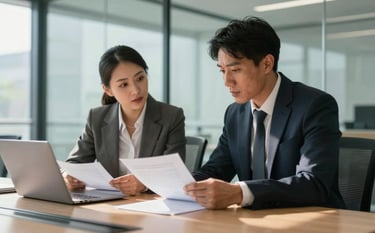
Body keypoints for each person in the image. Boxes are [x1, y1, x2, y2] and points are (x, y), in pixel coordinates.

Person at [184, 16, 345, 210]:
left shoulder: (315, 106)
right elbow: (216, 169)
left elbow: (313, 183)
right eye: (222, 71)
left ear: (267, 64)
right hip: (256, 221)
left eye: (235, 70)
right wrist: (183, 187)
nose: (227, 81)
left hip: (312, 219)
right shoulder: (235, 113)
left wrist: (239, 192)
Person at [64, 45, 186, 196]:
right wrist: (69, 177)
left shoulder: (171, 116)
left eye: (140, 78)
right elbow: (74, 164)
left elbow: (173, 175)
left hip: (153, 207)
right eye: (124, 84)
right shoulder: (96, 118)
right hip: (109, 207)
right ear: (108, 90)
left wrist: (143, 184)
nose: (135, 90)